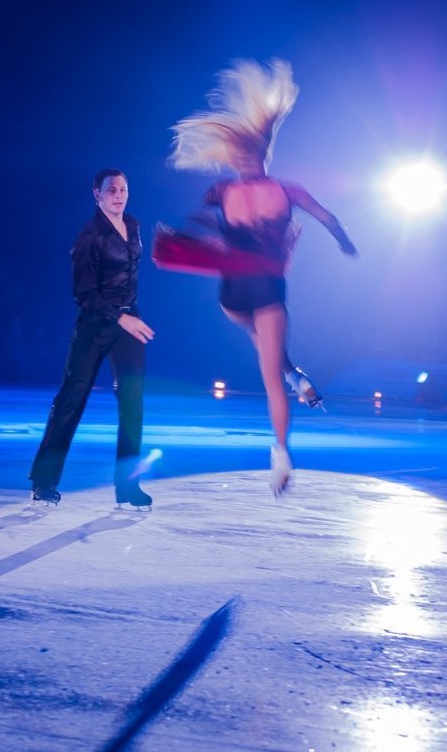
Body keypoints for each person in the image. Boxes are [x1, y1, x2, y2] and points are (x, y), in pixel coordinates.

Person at [153, 59, 356, 496]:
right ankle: (291, 398)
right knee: (271, 363)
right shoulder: (278, 190)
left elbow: (211, 226)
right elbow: (326, 217)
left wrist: (187, 240)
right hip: (258, 285)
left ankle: (284, 438)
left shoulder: (226, 191)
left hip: (236, 291)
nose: (243, 159)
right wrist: (342, 240)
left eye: (249, 153)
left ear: (262, 154)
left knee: (268, 361)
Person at [29, 169, 155, 508]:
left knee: (133, 405)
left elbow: (130, 275)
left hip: (128, 323)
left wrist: (130, 316)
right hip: (96, 326)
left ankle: (127, 487)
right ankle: (43, 481)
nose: (119, 194)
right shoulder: (89, 236)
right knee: (72, 400)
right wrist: (121, 317)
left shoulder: (134, 226)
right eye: (111, 189)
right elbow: (84, 295)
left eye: (124, 188)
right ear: (96, 194)